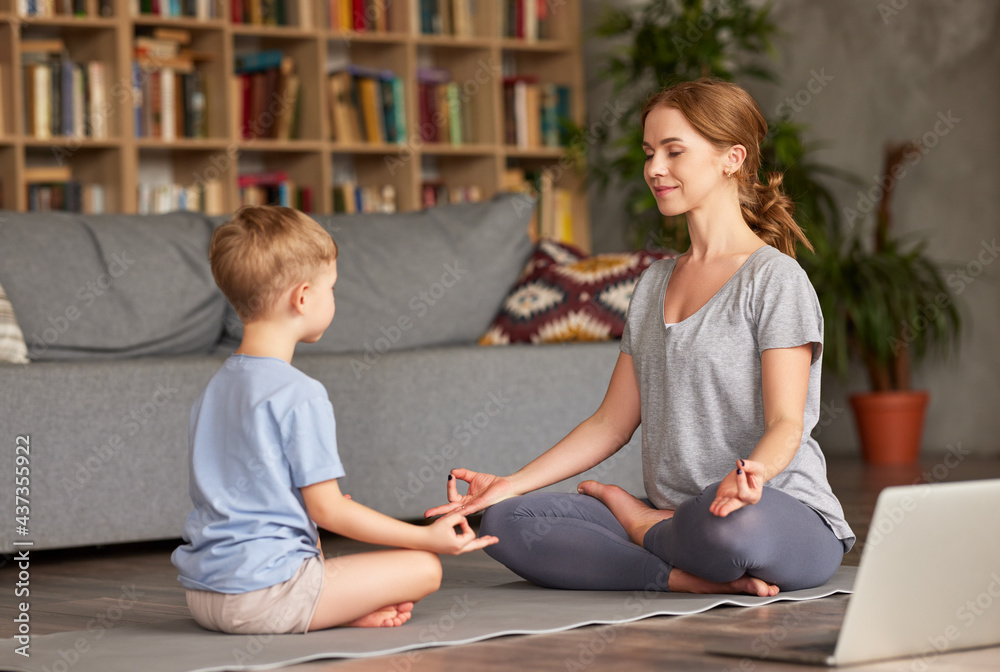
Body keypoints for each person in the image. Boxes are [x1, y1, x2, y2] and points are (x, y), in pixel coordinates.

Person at [426, 78, 855, 596]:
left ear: (732, 158)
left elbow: (788, 422)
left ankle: (640, 529)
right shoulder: (654, 283)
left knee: (726, 529)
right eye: (650, 153)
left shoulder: (774, 279)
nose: (654, 169)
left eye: (674, 151)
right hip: (677, 514)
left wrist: (755, 474)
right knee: (507, 521)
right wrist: (510, 483)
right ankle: (678, 576)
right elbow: (611, 423)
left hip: (771, 514)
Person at [171, 205, 496, 635]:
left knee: (329, 566)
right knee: (424, 567)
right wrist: (426, 537)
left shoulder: (214, 389)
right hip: (261, 597)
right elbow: (328, 509)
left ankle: (332, 609)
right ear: (303, 297)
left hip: (203, 595)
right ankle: (313, 609)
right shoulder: (300, 393)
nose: (333, 298)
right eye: (333, 287)